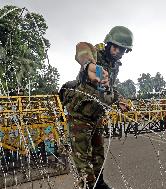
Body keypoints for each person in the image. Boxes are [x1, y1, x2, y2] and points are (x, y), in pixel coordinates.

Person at [66, 26, 133, 189]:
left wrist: (119, 100)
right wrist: (88, 65)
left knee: (98, 154)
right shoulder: (97, 53)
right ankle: (87, 185)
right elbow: (82, 47)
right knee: (82, 159)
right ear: (109, 43)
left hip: (96, 115)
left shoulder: (115, 65)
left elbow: (108, 88)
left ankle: (99, 183)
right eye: (115, 47)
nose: (118, 51)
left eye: (122, 49)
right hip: (80, 115)